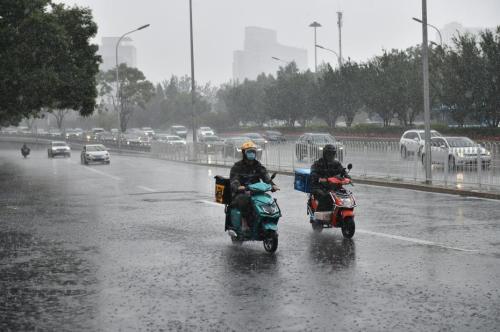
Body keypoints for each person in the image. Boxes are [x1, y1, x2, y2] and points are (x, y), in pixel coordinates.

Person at [229, 141, 278, 230]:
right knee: (244, 200)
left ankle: (265, 219)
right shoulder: (237, 166)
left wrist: (273, 185)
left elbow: (265, 176)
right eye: (249, 152)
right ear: (244, 153)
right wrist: (238, 186)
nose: (252, 153)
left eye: (253, 152)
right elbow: (234, 179)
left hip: (256, 191)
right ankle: (244, 222)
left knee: (268, 200)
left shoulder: (258, 165)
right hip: (241, 192)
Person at [310, 144, 347, 211]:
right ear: (325, 154)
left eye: (333, 153)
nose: (331, 155)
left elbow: (342, 171)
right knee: (325, 196)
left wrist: (347, 176)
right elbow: (313, 174)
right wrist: (321, 179)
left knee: (345, 195)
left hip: (334, 187)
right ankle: (320, 219)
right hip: (320, 187)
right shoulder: (318, 163)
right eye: (329, 153)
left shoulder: (336, 163)